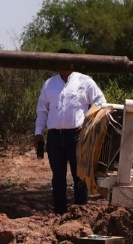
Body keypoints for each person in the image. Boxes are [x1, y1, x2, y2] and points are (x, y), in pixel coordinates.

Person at [34, 49, 106, 214]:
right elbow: (42, 111)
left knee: (79, 175)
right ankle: (59, 212)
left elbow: (100, 102)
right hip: (54, 137)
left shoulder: (85, 81)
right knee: (58, 176)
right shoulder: (49, 84)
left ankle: (80, 211)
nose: (65, 64)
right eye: (61, 60)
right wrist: (38, 133)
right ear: (57, 62)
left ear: (74, 62)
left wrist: (89, 121)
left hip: (77, 136)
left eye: (68, 60)